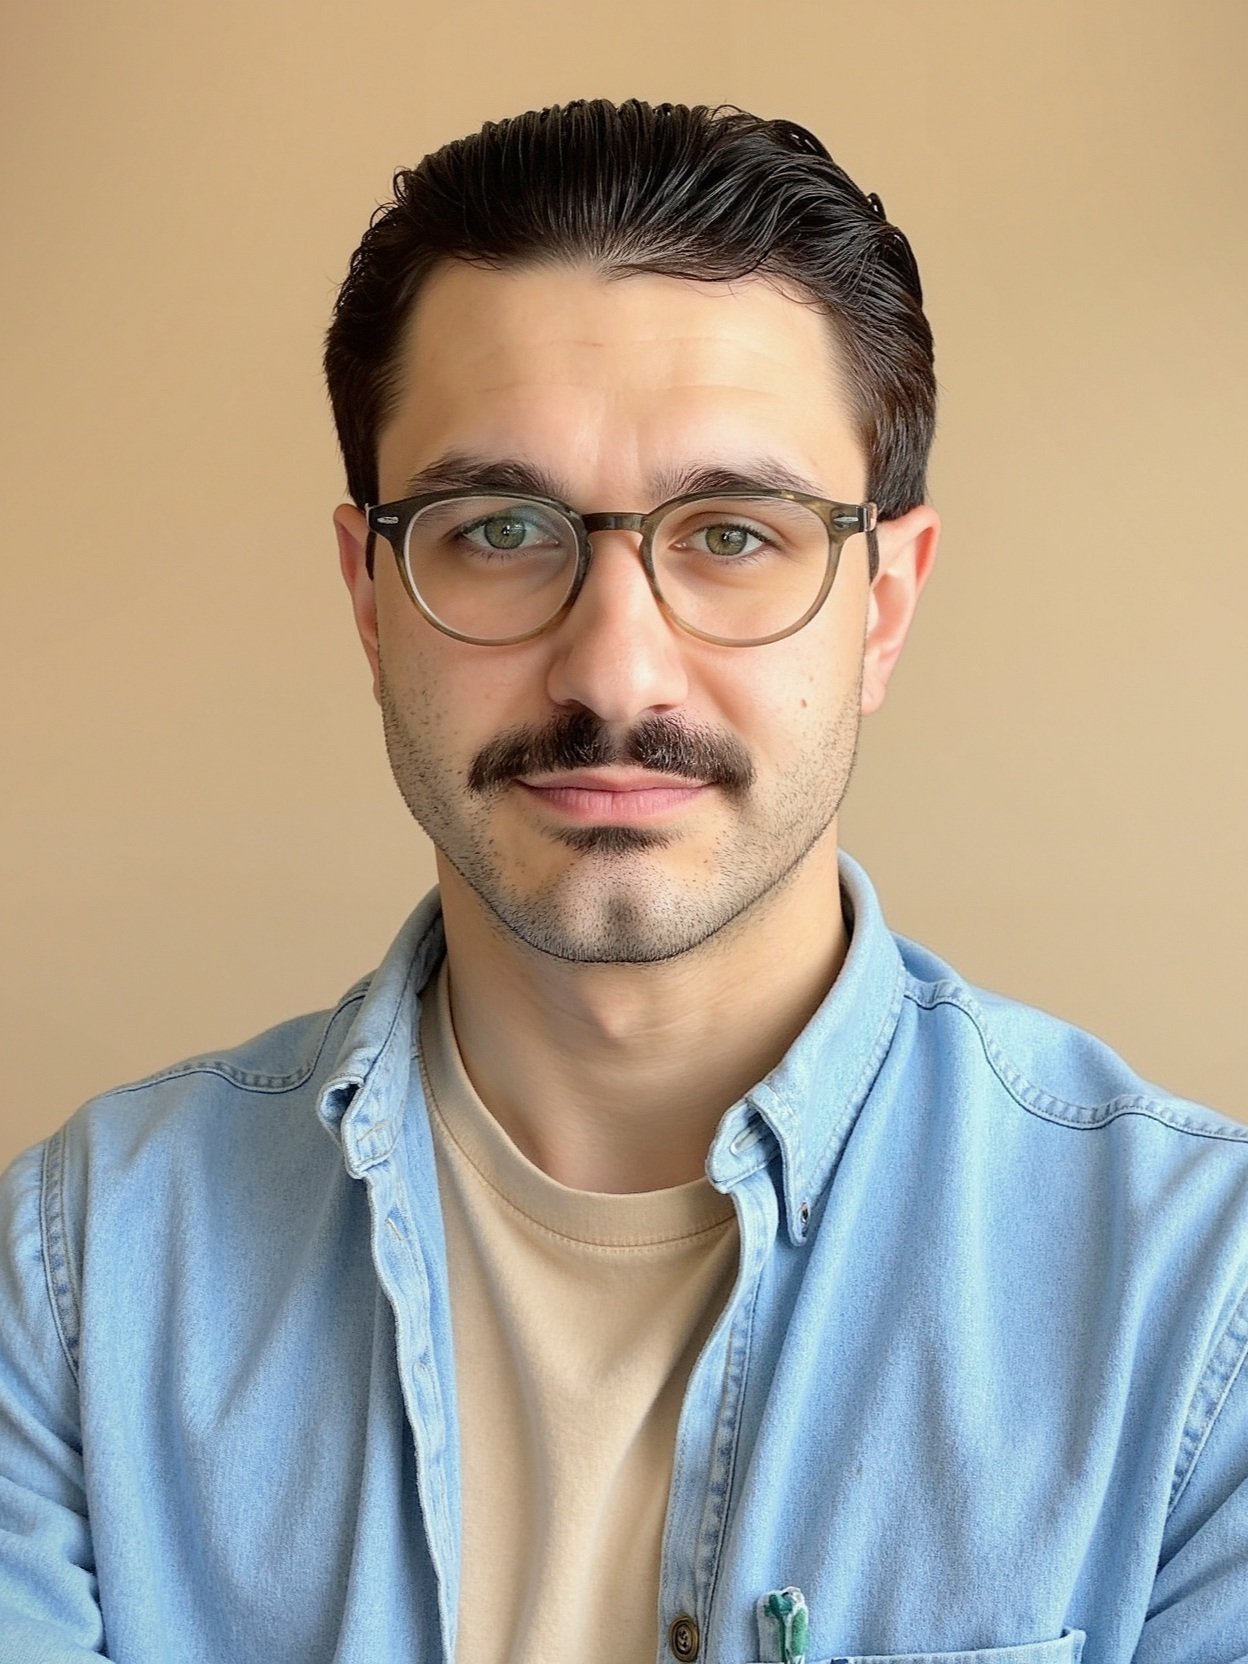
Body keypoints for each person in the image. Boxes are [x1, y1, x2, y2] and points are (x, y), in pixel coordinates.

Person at [1, 97, 1245, 1664]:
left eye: (732, 534)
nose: (613, 668)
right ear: (372, 600)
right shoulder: (74, 1282)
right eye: (500, 528)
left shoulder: (1203, 1308)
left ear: (882, 607)